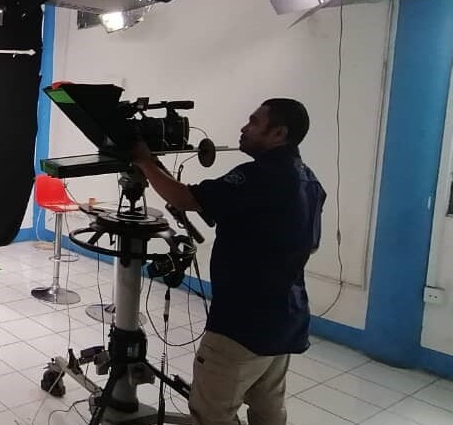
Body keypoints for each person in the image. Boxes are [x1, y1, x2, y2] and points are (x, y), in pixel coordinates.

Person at [130, 99, 326, 425]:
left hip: (240, 325)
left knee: (210, 414)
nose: (243, 128)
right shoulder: (309, 180)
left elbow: (184, 198)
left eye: (253, 122)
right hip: (284, 320)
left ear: (278, 133)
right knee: (268, 411)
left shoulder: (257, 176)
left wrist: (144, 162)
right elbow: (308, 241)